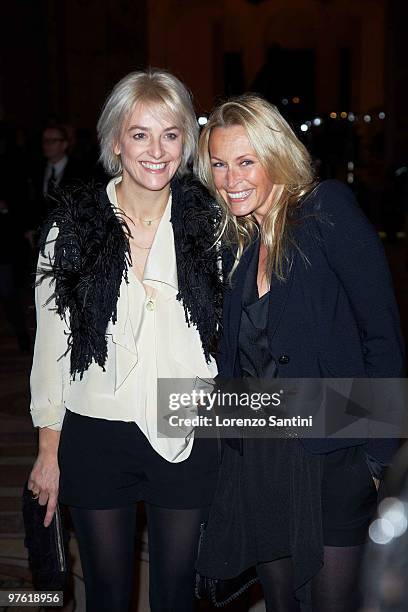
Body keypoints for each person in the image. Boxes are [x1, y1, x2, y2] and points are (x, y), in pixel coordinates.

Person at [195, 94, 405, 612]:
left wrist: (376, 457)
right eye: (219, 165)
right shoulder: (240, 241)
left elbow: (382, 336)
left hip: (333, 454)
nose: (230, 178)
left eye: (246, 161)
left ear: (277, 155)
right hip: (262, 460)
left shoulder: (325, 209)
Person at [27, 69, 222, 612]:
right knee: (107, 596)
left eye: (170, 134)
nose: (156, 151)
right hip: (97, 429)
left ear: (186, 141)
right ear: (115, 140)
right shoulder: (73, 228)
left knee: (177, 595)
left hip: (186, 428)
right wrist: (48, 449)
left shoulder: (213, 225)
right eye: (139, 134)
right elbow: (51, 345)